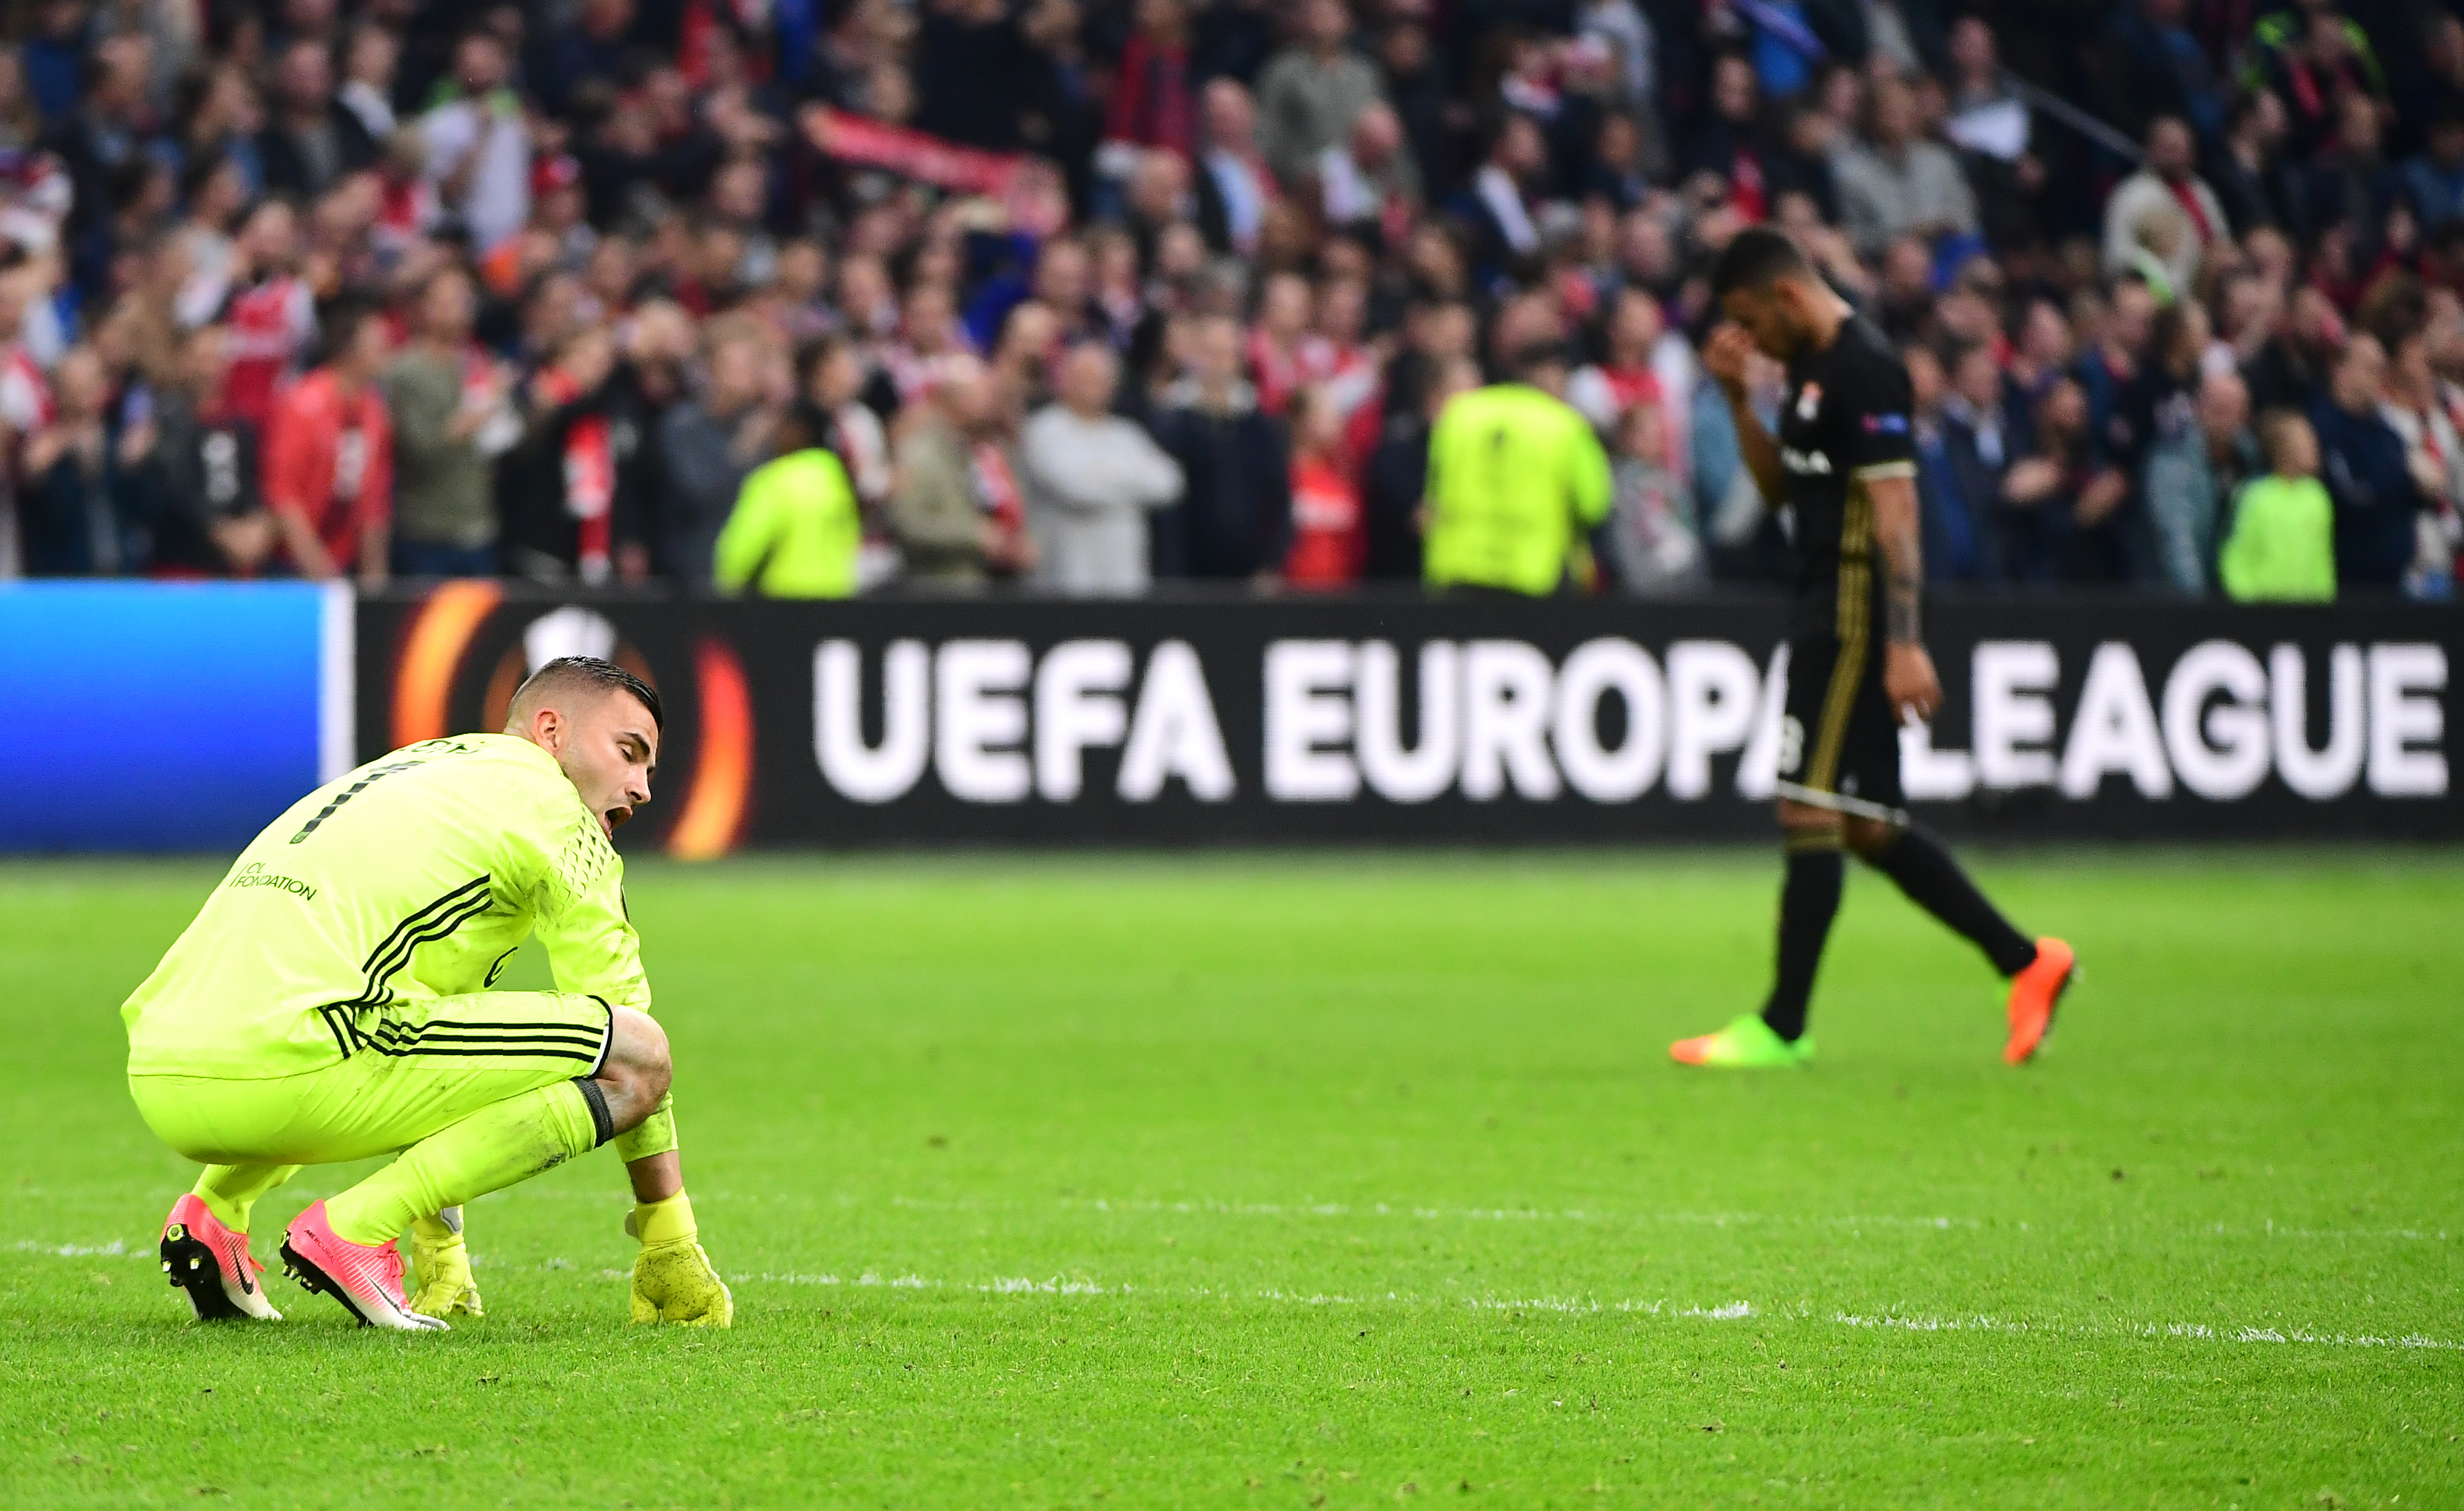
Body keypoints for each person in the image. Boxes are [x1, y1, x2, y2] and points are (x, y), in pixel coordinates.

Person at [124, 657, 731, 1332]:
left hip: (163, 1070)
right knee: (638, 1053)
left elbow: (436, 1052)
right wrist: (667, 1237)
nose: (642, 787)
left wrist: (442, 1252)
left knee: (374, 1012)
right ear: (552, 731)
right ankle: (354, 1228)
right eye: (630, 753)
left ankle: (213, 1218)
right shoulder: (558, 815)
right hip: (289, 1064)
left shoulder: (420, 768)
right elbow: (630, 1038)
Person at [1671, 227, 2075, 1072]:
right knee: (1865, 824)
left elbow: (1897, 514)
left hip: (1851, 614)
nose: (1750, 337)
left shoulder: (1866, 368)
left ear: (1785, 294)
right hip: (1819, 598)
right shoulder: (1807, 375)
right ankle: (2025, 961)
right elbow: (1784, 487)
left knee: (1805, 804)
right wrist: (1742, 398)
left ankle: (1782, 1025)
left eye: (1750, 318)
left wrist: (1904, 644)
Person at [1420, 341, 1611, 596]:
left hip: (1459, 568)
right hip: (1535, 573)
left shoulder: (1460, 415)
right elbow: (1593, 506)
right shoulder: (1566, 425)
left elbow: (1434, 493)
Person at [1020, 342, 1185, 596]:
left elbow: (1170, 483)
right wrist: (1132, 478)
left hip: (1125, 580)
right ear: (1064, 381)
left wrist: (1102, 474)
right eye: (1084, 378)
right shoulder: (1043, 430)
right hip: (1065, 582)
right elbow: (1077, 490)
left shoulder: (1127, 433)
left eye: (1101, 380)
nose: (1094, 387)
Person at [383, 266, 509, 578]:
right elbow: (419, 449)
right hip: (427, 531)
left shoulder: (478, 362)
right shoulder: (406, 371)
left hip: (479, 525)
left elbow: (500, 440)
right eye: (448, 301)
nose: (459, 310)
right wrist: (476, 416)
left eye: (465, 301)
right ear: (425, 309)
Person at [1149, 311, 1289, 581]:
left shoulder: (1260, 427)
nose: (1218, 364)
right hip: (1187, 578)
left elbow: (1278, 498)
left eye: (1226, 354)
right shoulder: (1170, 422)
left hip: (1249, 576)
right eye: (1210, 353)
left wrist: (1272, 564)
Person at [262, 301, 393, 584]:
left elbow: (375, 499)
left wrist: (375, 574)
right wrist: (315, 564)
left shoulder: (374, 409)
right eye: (376, 340)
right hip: (293, 565)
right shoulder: (304, 403)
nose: (386, 347)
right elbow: (283, 491)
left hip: (344, 559)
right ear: (349, 348)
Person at [713, 407, 863, 598]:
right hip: (836, 599)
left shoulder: (775, 480)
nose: (776, 435)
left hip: (783, 602)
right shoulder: (840, 482)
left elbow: (743, 546)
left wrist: (726, 587)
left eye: (782, 428)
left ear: (799, 431)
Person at [2143, 369, 2259, 594]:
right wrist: (2199, 607)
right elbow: (2178, 541)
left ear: (2245, 414)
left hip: (2232, 592)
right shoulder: (2172, 463)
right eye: (2216, 410)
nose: (2222, 420)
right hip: (2173, 596)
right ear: (2197, 408)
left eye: (2230, 411)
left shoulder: (2251, 458)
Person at [2220, 409, 2335, 601]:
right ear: (2283, 449)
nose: (2314, 448)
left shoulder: (2318, 497)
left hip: (2306, 615)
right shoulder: (2254, 496)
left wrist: (2323, 605)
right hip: (2260, 612)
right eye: (2305, 442)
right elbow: (2236, 556)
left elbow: (2322, 560)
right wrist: (2246, 603)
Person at [1281, 383, 1362, 587]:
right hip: (1292, 595)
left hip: (1340, 596)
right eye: (1327, 416)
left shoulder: (1344, 475)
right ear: (1301, 421)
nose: (1338, 424)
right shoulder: (1284, 476)